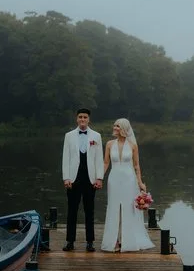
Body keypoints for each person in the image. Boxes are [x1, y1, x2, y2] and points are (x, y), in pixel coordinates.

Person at [101, 118, 155, 252]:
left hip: (129, 180)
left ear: (124, 129)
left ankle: (127, 240)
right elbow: (106, 163)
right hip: (113, 180)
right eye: (114, 125)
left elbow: (136, 166)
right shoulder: (109, 144)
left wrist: (140, 182)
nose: (114, 128)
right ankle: (115, 240)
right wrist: (99, 178)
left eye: (117, 126)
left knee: (128, 208)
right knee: (114, 208)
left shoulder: (132, 145)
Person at [61, 108, 104, 252]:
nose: (82, 119)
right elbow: (65, 158)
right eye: (80, 117)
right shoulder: (69, 136)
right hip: (73, 179)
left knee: (89, 211)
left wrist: (99, 178)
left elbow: (99, 158)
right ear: (76, 119)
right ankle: (70, 242)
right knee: (72, 211)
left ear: (89, 119)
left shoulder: (96, 136)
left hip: (90, 179)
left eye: (85, 117)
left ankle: (90, 242)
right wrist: (66, 177)